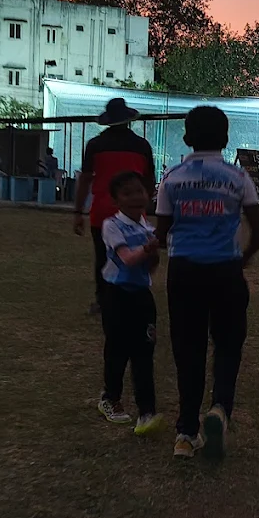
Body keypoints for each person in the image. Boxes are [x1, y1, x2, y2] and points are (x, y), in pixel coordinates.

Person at [154, 106, 259, 460]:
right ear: (225, 138)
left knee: (187, 350)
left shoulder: (172, 177)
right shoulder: (237, 178)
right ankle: (220, 407)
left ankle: (186, 434)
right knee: (228, 344)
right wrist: (243, 258)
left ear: (187, 138)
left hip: (184, 272)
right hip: (225, 272)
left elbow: (161, 233)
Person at [96, 170, 166, 436]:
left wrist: (154, 254)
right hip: (116, 295)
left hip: (141, 297)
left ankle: (146, 412)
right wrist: (149, 249)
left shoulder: (148, 228)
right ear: (116, 200)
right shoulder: (112, 225)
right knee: (117, 350)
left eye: (140, 191)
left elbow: (151, 268)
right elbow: (125, 258)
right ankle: (110, 398)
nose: (136, 197)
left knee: (144, 352)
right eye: (128, 193)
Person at [73, 99, 156, 317]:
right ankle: (136, 296)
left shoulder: (94, 145)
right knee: (138, 255)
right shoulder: (142, 146)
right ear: (129, 120)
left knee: (103, 257)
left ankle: (103, 301)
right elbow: (150, 182)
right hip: (135, 214)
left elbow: (85, 180)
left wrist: (77, 212)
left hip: (101, 212)